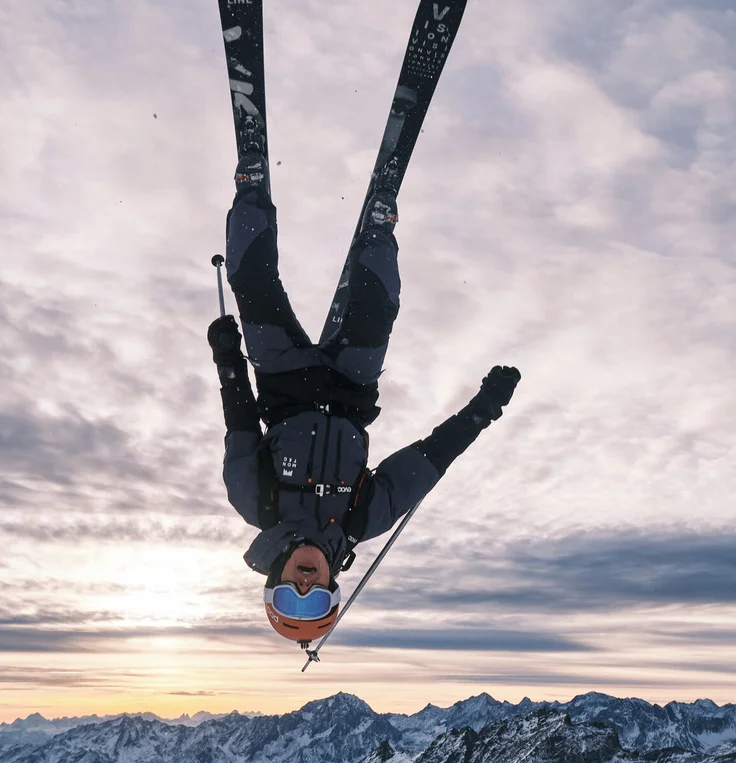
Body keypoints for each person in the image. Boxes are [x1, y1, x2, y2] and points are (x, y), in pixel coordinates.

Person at [208, 164, 519, 648]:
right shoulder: (363, 519)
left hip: (282, 379)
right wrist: (484, 409)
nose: (304, 586)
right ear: (334, 588)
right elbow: (430, 459)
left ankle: (250, 192)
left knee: (254, 288)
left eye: (290, 598)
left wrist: (228, 359)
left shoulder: (254, 501)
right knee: (377, 309)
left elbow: (241, 423)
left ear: (273, 582)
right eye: (316, 601)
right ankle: (380, 226)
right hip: (351, 388)